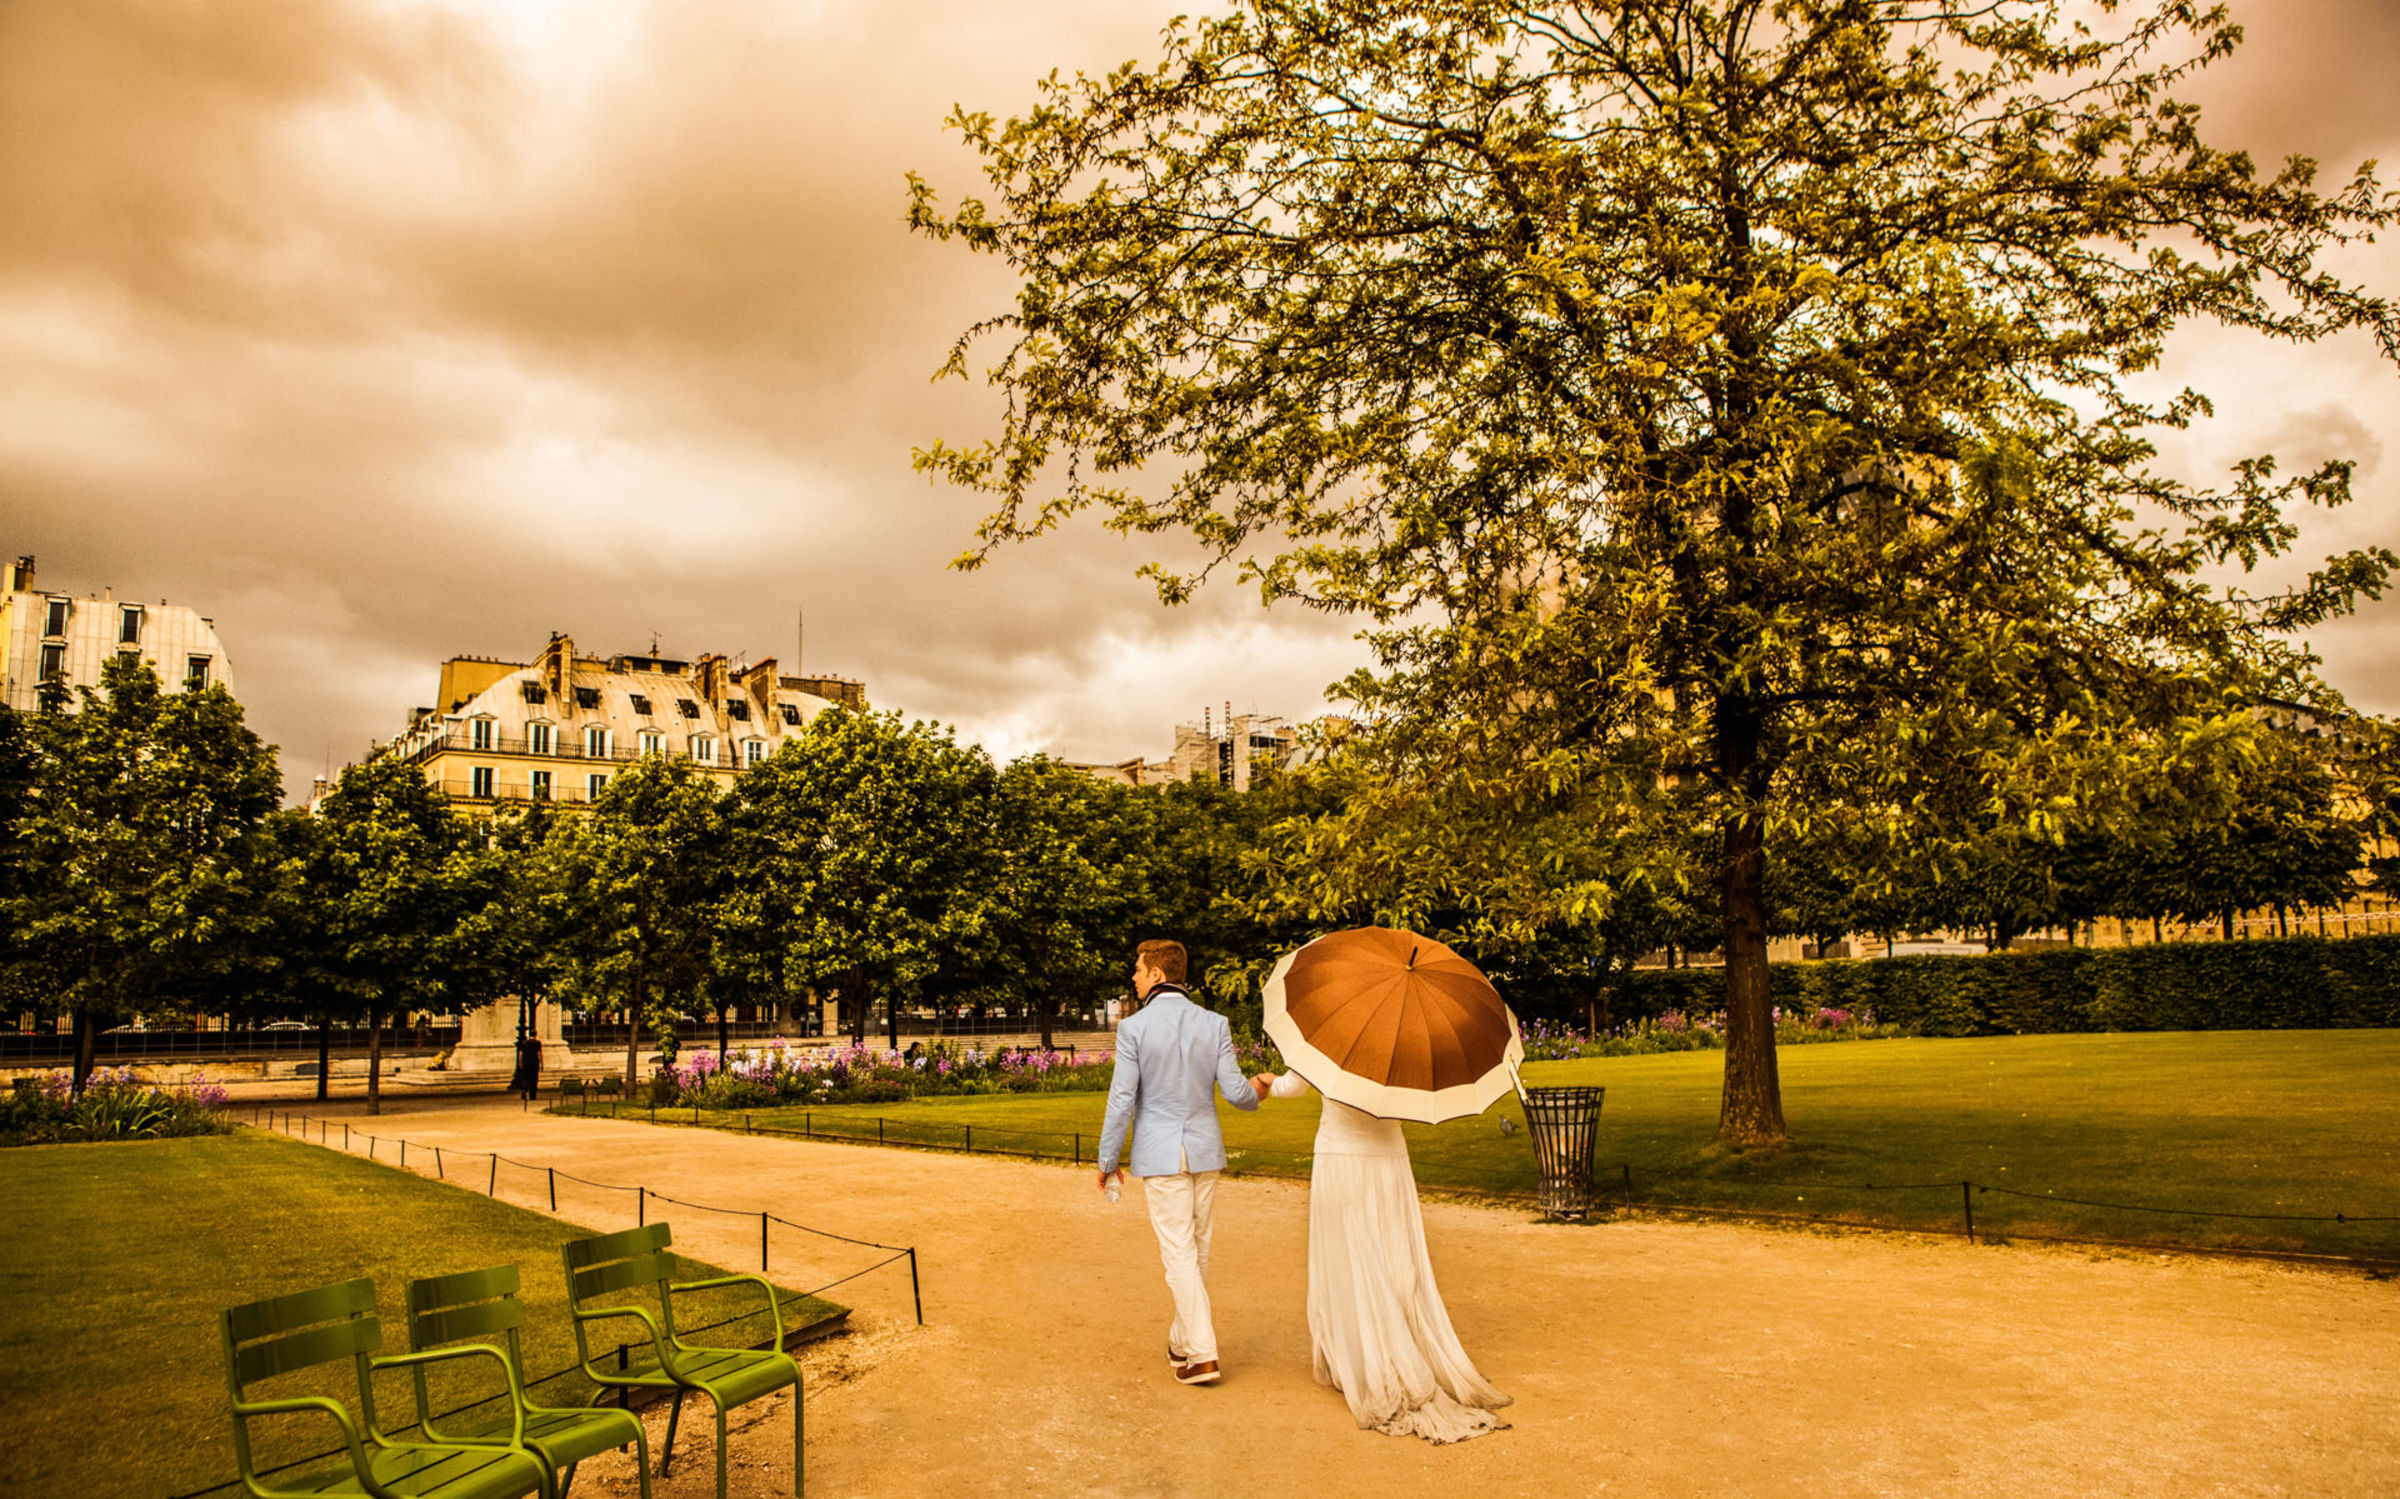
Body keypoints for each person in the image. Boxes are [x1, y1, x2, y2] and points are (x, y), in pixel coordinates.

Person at [1096, 940, 1274, 1387]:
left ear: (1157, 974)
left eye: (1138, 969)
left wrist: (1106, 1160)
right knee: (1198, 1250)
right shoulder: (1214, 1023)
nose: (1133, 977)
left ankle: (1203, 1354)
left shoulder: (1134, 1029)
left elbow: (1122, 1100)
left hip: (1160, 1154)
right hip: (1205, 1151)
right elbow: (1237, 1095)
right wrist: (1258, 1089)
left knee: (1179, 1252)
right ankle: (1181, 1342)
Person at [1306, 1096, 1511, 1442]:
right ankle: (1386, 1344)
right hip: (1389, 1158)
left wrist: (1270, 1085)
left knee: (1348, 1258)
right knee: (1391, 1256)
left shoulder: (1332, 1047)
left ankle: (1358, 1356)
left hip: (1341, 1156)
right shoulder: (1401, 1050)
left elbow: (1297, 1081)